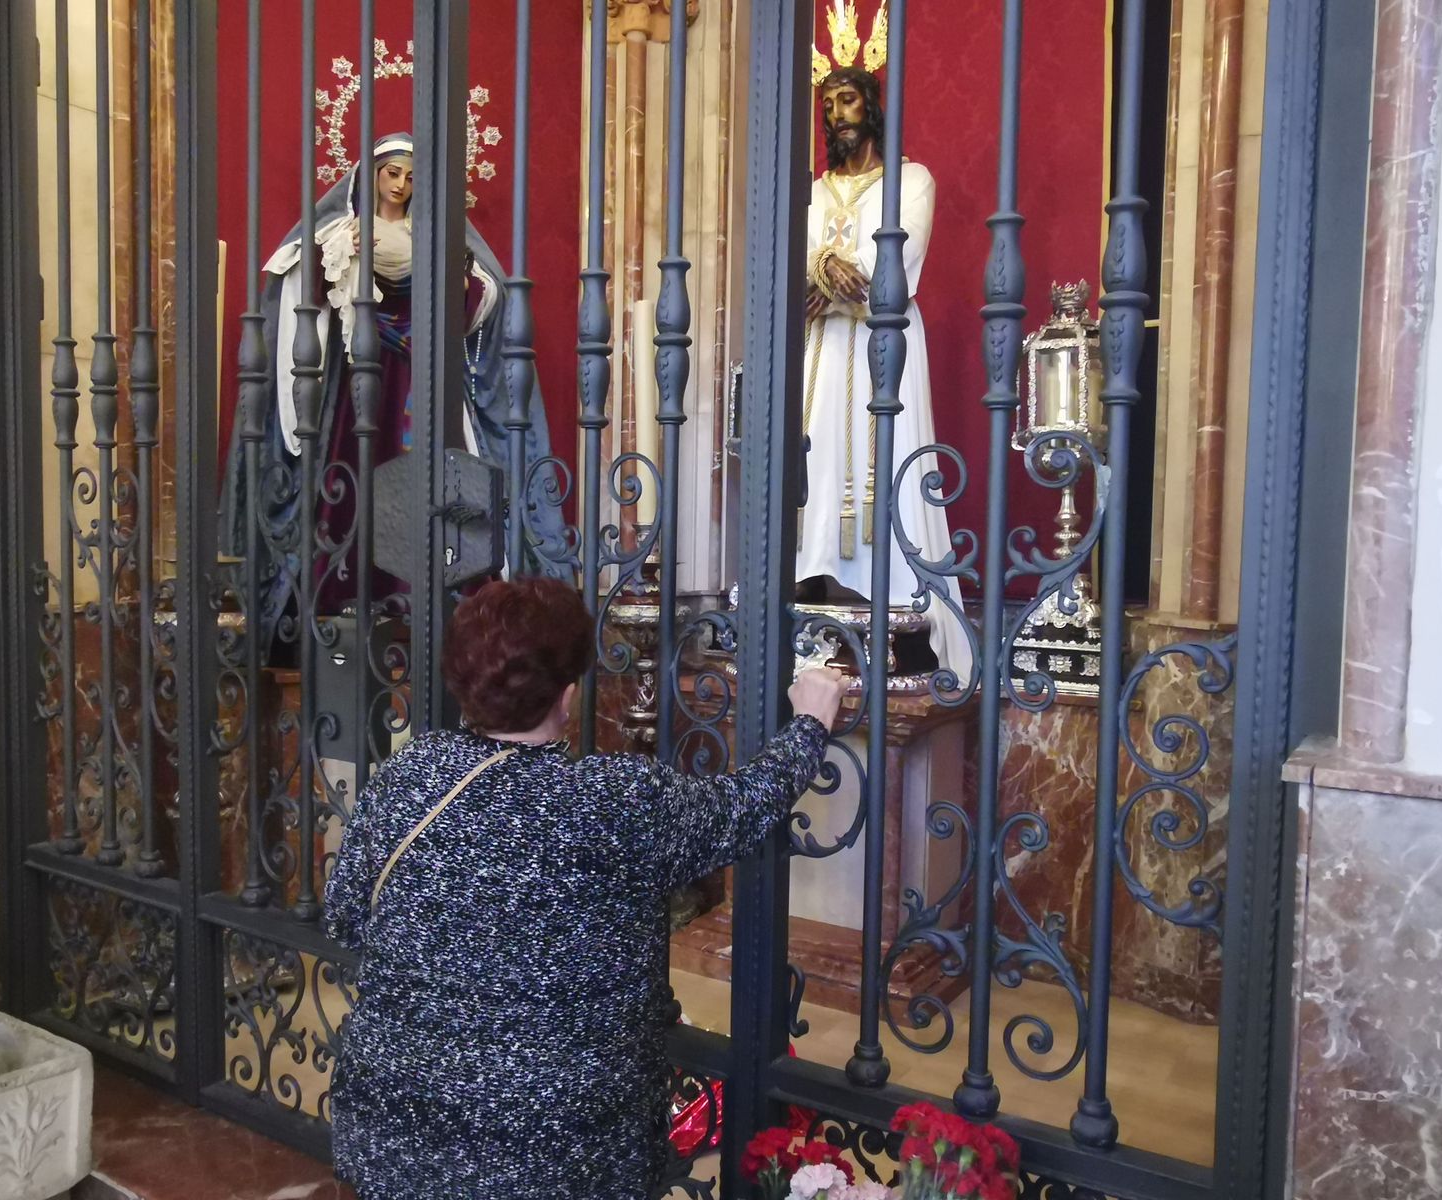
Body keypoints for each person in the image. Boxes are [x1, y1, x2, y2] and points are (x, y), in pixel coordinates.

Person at [323, 577, 848, 1198]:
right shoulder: (610, 800)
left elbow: (345, 919)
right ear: (568, 696)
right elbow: (742, 808)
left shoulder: (413, 773)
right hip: (561, 1151)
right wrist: (811, 720)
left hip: (394, 1129)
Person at [218, 133, 569, 658]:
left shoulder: (431, 236)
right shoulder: (346, 231)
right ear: (372, 174)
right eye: (392, 173)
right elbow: (299, 282)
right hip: (361, 376)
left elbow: (481, 296)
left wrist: (456, 274)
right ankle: (346, 601)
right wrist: (335, 257)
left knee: (430, 472)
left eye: (410, 176)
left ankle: (437, 603)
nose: (401, 185)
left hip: (420, 372)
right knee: (350, 478)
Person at [800, 67, 973, 680]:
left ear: (870, 107)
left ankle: (896, 613)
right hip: (818, 356)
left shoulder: (910, 180)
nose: (836, 113)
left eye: (846, 100)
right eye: (827, 103)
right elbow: (796, 273)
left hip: (885, 349)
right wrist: (822, 265)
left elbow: (891, 269)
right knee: (816, 468)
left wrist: (829, 272)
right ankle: (817, 604)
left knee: (885, 462)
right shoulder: (813, 191)